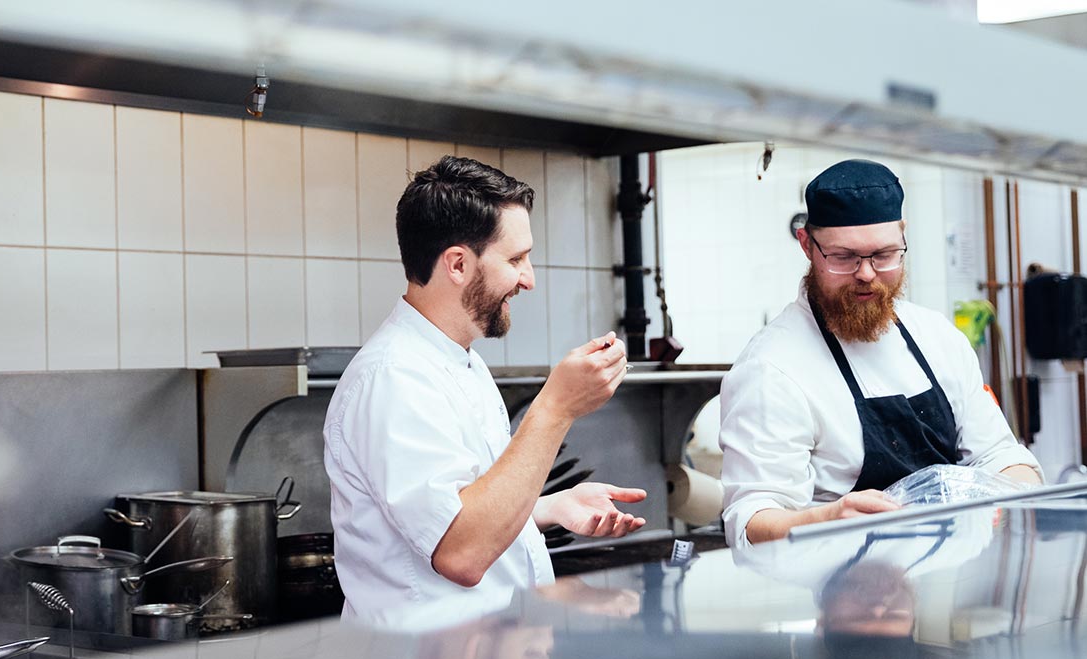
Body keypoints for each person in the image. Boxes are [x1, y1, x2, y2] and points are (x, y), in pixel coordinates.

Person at [324, 155, 647, 624]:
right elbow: (460, 551)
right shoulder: (393, 379)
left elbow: (450, 511)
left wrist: (549, 506)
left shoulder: (458, 360)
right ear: (457, 264)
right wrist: (555, 408)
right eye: (515, 259)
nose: (529, 279)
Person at [719, 159, 1041, 549]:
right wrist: (824, 520)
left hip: (949, 587)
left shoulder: (937, 336)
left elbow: (1001, 455)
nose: (867, 274)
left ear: (903, 236)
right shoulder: (771, 367)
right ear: (807, 245)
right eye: (844, 258)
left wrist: (1018, 493)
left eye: (884, 255)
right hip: (844, 588)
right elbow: (751, 519)